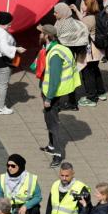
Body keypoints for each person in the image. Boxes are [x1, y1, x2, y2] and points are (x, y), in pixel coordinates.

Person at [39, 24, 81, 167]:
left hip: (53, 94)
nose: (39, 35)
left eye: (41, 33)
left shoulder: (55, 54)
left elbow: (55, 79)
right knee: (48, 120)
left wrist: (49, 98)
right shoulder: (55, 48)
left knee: (53, 124)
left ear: (46, 36)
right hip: (51, 92)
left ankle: (58, 154)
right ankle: (51, 146)